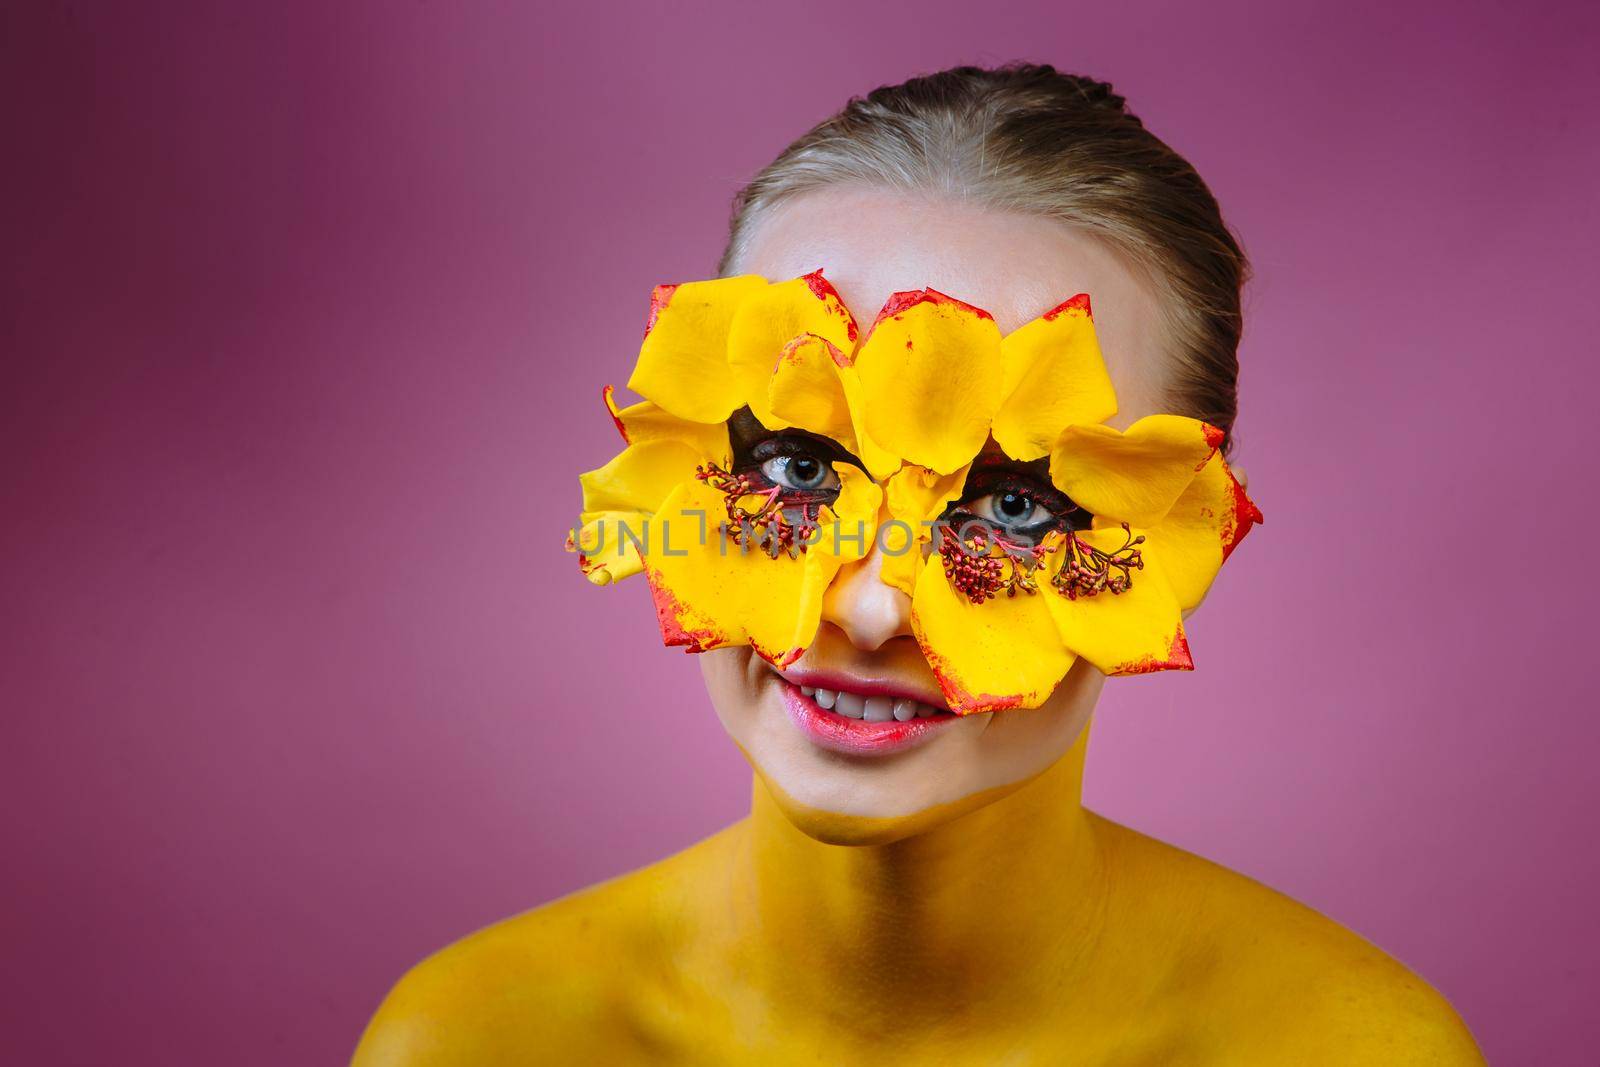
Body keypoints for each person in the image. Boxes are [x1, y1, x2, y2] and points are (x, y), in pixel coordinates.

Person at [353, 64, 1484, 1064]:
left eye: (1013, 502)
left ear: (1183, 534)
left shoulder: (1352, 1051)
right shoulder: (474, 1040)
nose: (876, 604)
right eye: (797, 466)